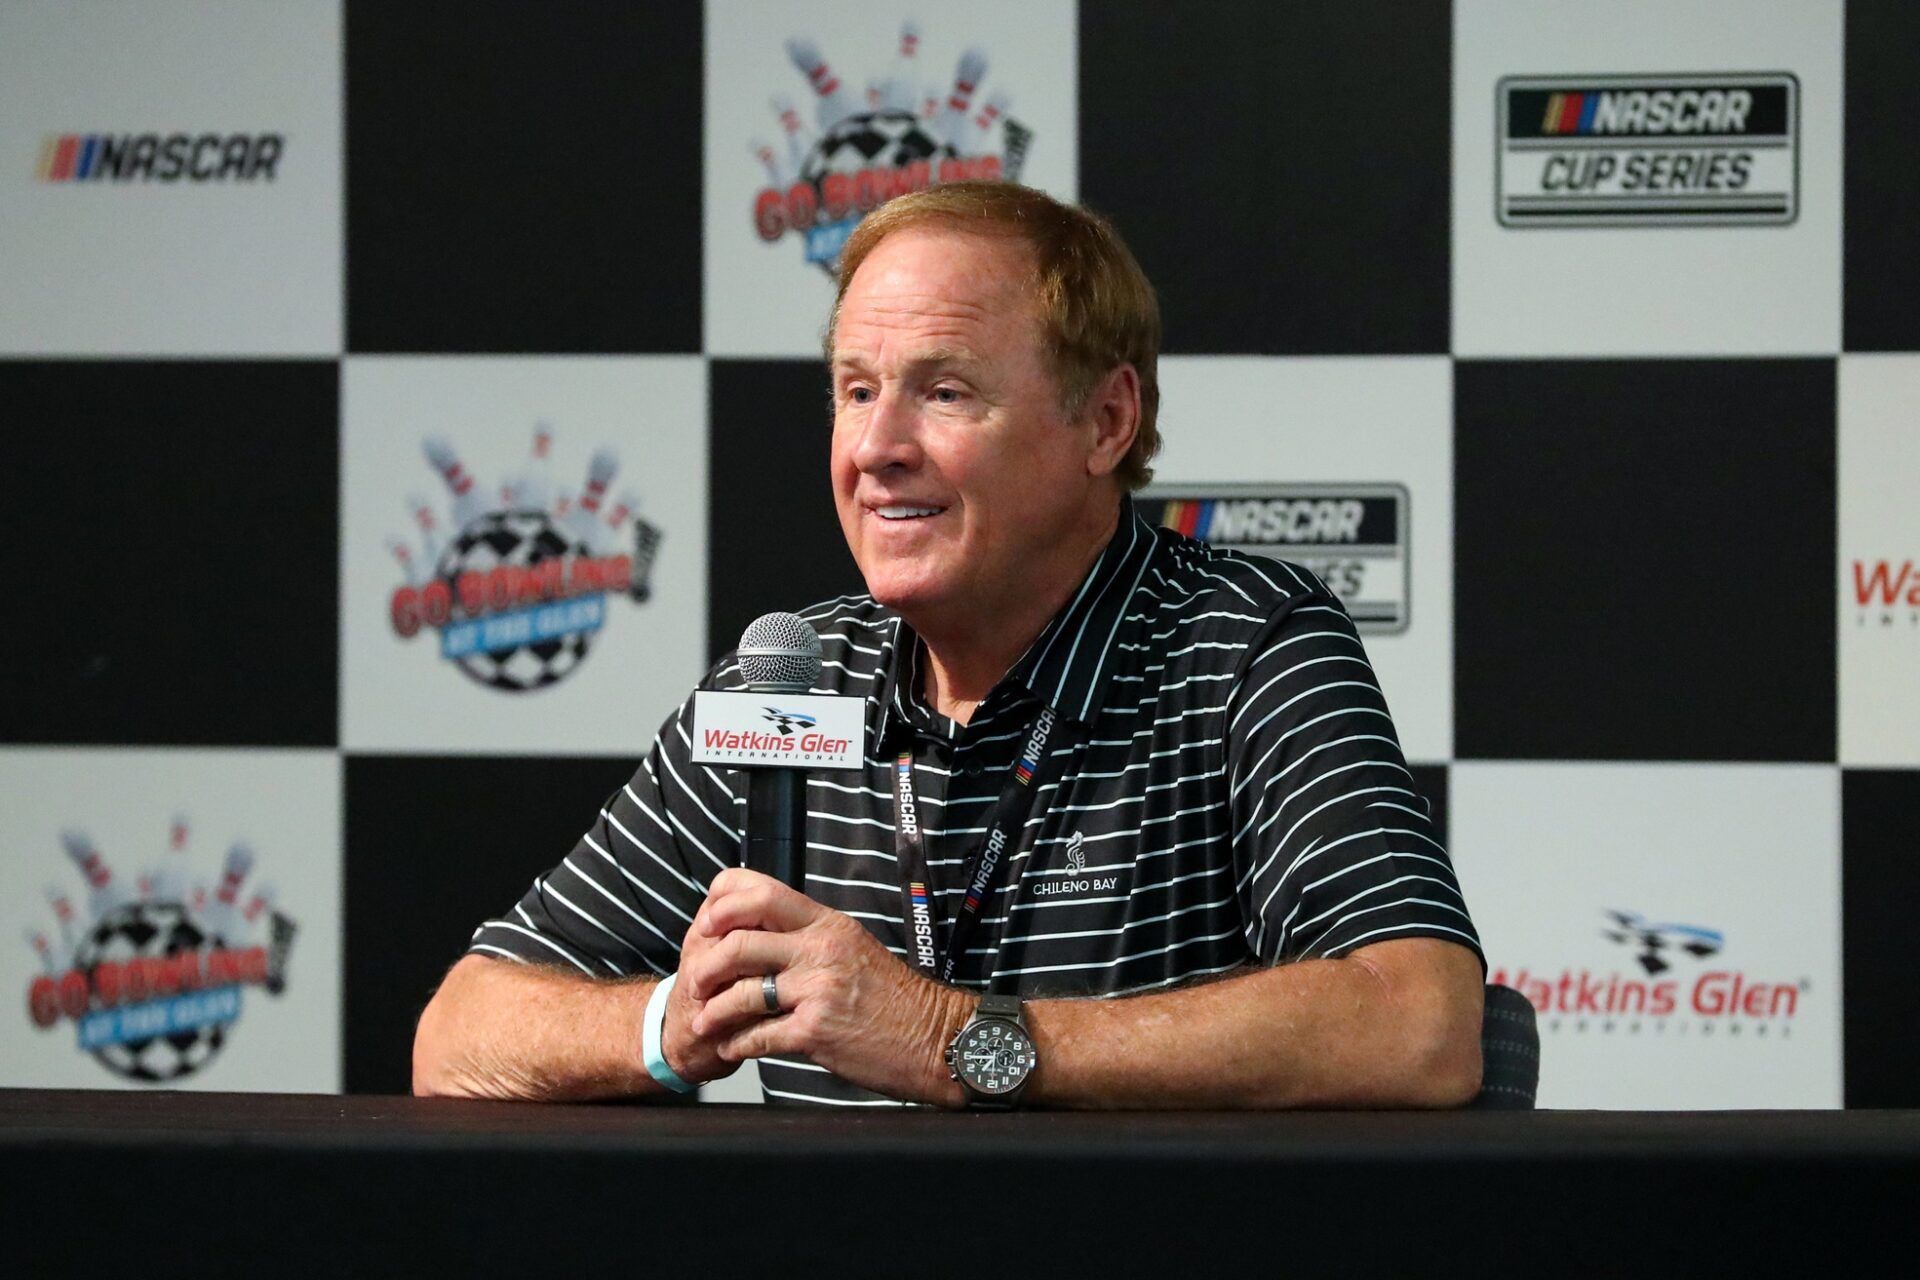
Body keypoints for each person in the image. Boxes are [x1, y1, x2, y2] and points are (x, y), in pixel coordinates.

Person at [413, 181, 1484, 1109]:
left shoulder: (1243, 643)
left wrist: (947, 1036)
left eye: (944, 390)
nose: (877, 447)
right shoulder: (793, 684)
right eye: (857, 390)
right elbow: (460, 1032)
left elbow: (1418, 1021)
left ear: (1105, 422)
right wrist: (673, 1021)